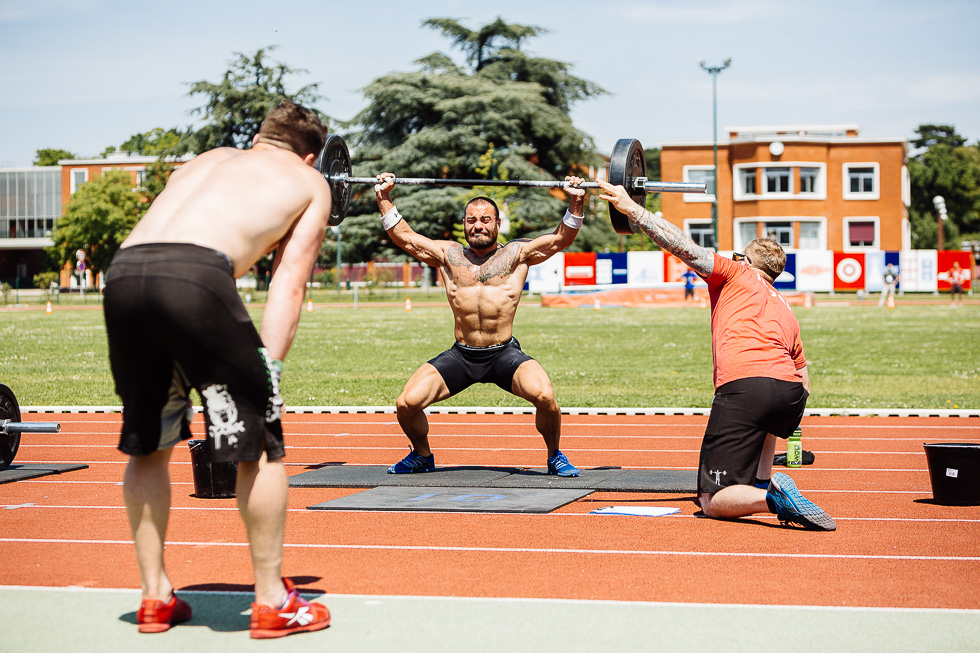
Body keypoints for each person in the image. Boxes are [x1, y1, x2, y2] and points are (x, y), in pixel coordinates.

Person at [103, 102, 334, 637]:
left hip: (124, 274)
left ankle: (155, 596)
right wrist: (269, 368)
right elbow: (288, 284)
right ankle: (274, 600)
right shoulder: (308, 181)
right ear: (308, 155)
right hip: (194, 274)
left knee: (149, 445)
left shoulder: (202, 161)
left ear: (259, 139)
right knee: (259, 445)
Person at [596, 178, 835, 531]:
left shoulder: (734, 272)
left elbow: (684, 247)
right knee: (770, 421)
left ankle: (770, 498)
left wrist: (633, 209)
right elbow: (804, 377)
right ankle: (761, 481)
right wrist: (791, 424)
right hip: (790, 395)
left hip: (747, 386)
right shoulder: (784, 306)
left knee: (711, 501)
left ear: (742, 259)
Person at [374, 173, 586, 476]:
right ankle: (422, 456)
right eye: (471, 220)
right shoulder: (449, 256)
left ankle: (554, 455)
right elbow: (405, 238)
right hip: (462, 356)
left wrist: (577, 199)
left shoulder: (516, 255)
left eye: (486, 220)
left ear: (497, 225)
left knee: (545, 397)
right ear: (464, 224)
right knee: (406, 403)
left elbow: (560, 238)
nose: (478, 225)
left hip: (503, 355)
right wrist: (383, 196)